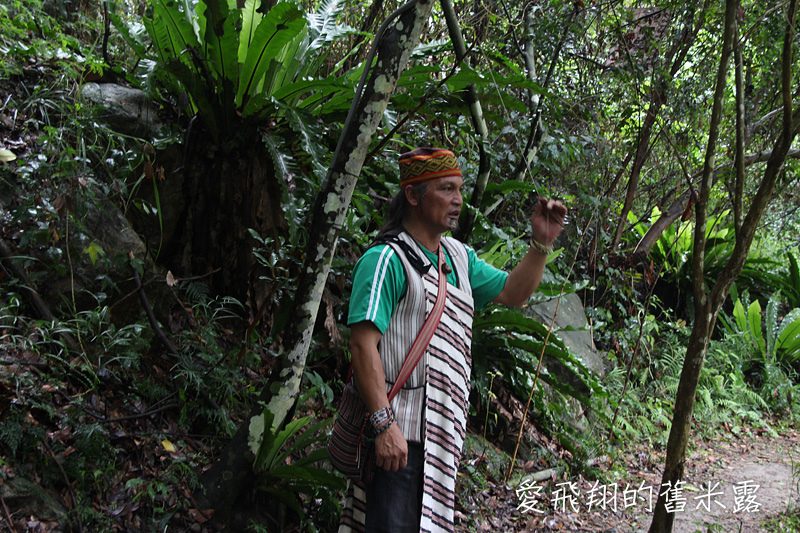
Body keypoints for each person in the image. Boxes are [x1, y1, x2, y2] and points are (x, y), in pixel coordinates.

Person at [339, 147, 567, 533]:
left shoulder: (460, 258)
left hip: (440, 445)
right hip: (399, 438)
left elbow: (515, 292)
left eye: (459, 189)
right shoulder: (385, 260)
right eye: (446, 189)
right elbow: (362, 345)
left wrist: (541, 243)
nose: (458, 200)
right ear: (413, 195)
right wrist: (383, 426)